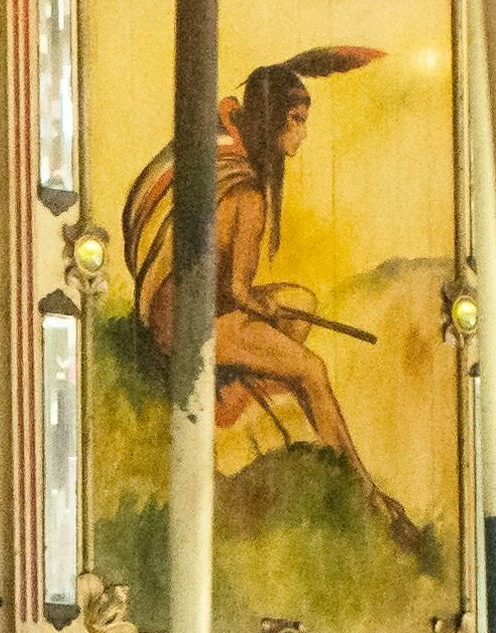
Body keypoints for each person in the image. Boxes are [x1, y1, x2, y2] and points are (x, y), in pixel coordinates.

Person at [117, 45, 384, 483]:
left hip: (172, 309)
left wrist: (264, 304)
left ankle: (232, 393)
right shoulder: (247, 193)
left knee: (302, 299)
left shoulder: (208, 147)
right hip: (190, 325)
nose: (301, 133)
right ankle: (364, 490)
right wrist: (266, 309)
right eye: (296, 121)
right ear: (272, 119)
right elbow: (239, 292)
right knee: (312, 370)